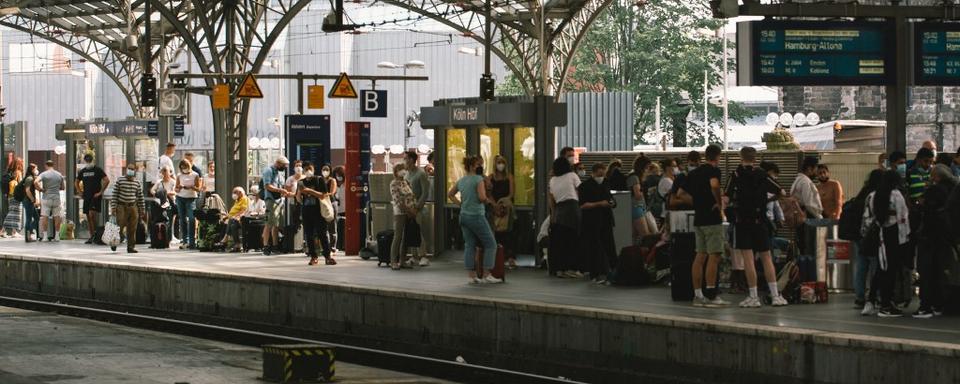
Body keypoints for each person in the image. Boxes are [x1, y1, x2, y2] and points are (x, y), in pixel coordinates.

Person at [725, 147, 788, 308]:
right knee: (766, 258)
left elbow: (726, 197)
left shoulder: (736, 175)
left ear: (741, 157)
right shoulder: (762, 174)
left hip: (742, 222)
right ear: (755, 158)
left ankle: (753, 296)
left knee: (748, 260)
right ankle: (775, 295)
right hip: (760, 221)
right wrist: (766, 200)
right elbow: (782, 191)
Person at [677, 144, 729, 307]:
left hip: (698, 218)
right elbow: (714, 186)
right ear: (718, 156)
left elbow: (680, 194)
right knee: (714, 256)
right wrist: (718, 204)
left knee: (700, 256)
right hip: (712, 219)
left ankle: (698, 295)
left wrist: (698, 203)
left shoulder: (695, 172)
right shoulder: (714, 170)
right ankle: (712, 295)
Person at [861, 170, 911, 318]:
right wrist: (905, 238)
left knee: (881, 269)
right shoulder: (896, 195)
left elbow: (867, 218)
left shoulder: (873, 195)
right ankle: (886, 305)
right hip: (893, 235)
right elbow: (903, 217)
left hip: (878, 235)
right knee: (891, 270)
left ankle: (872, 301)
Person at [448, 156, 501, 284]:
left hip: (464, 216)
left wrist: (460, 204)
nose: (481, 166)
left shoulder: (462, 180)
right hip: (476, 215)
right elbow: (482, 197)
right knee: (491, 244)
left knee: (469, 245)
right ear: (472, 166)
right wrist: (491, 203)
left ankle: (472, 276)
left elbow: (450, 194)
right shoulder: (478, 179)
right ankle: (487, 274)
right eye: (478, 164)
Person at [914, 164, 957, 318]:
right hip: (948, 237)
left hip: (930, 236)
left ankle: (926, 306)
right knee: (943, 271)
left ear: (937, 176)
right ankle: (941, 304)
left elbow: (927, 211)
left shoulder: (934, 191)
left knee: (926, 271)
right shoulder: (954, 188)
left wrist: (921, 204)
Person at [851, 169, 884, 310]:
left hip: (858, 235)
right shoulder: (875, 195)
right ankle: (875, 295)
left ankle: (859, 297)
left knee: (861, 265)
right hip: (871, 235)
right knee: (875, 265)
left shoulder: (862, 193)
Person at [579, 162, 615, 285]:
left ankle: (610, 272)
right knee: (595, 248)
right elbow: (583, 205)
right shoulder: (584, 186)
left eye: (604, 174)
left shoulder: (606, 183)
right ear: (594, 172)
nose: (602, 177)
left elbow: (611, 199)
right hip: (592, 221)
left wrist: (611, 203)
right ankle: (596, 272)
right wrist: (600, 204)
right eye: (600, 174)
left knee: (609, 246)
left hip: (606, 219)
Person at [548, 155, 583, 279]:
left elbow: (551, 200)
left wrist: (553, 214)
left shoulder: (552, 180)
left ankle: (560, 269)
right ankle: (572, 268)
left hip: (559, 211)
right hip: (572, 208)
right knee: (573, 239)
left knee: (561, 241)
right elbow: (581, 190)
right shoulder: (572, 176)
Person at [298, 162, 337, 266]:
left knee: (322, 233)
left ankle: (327, 256)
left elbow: (323, 195)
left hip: (318, 211)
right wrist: (300, 193)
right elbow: (299, 198)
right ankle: (313, 256)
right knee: (309, 235)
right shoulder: (301, 182)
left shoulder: (319, 180)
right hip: (306, 211)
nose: (308, 171)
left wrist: (310, 191)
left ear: (313, 169)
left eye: (310, 168)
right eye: (306, 169)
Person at [487, 155, 516, 268]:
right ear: (495, 164)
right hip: (495, 209)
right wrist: (495, 205)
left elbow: (511, 193)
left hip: (506, 207)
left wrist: (504, 202)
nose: (501, 165)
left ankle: (511, 257)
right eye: (499, 162)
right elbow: (488, 194)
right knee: (496, 233)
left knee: (509, 233)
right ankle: (499, 257)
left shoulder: (509, 177)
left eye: (503, 162)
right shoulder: (490, 178)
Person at [404, 151, 431, 266]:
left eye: (406, 158)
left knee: (418, 231)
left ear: (411, 160)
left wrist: (417, 207)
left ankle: (423, 255)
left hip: (417, 208)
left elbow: (425, 193)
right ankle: (414, 256)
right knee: (410, 231)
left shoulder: (421, 174)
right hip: (408, 208)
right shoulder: (406, 174)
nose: (404, 161)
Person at [111, 163, 145, 253]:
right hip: (121, 206)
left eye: (132, 169)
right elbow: (115, 194)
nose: (130, 170)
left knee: (132, 228)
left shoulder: (137, 182)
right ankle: (114, 243)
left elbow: (140, 196)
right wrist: (113, 207)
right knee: (119, 226)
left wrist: (142, 209)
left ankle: (131, 247)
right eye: (129, 168)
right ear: (126, 169)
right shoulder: (120, 180)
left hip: (133, 206)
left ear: (135, 171)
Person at [76, 154, 109, 243]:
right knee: (88, 216)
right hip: (87, 196)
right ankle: (92, 236)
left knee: (92, 215)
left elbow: (106, 180)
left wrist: (100, 192)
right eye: (87, 160)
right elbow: (77, 181)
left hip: (95, 196)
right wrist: (80, 192)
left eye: (89, 160)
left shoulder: (97, 170)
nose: (88, 162)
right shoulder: (83, 171)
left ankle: (96, 234)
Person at [261, 157, 292, 255]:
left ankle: (275, 245)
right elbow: (267, 186)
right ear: (278, 163)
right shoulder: (268, 171)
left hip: (279, 200)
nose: (284, 168)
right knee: (269, 223)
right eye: (283, 166)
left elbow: (280, 186)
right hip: (271, 200)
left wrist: (284, 191)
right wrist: (280, 190)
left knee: (276, 224)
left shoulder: (278, 173)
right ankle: (266, 246)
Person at [389, 163, 417, 270]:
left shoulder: (405, 182)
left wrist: (413, 209)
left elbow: (411, 196)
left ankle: (402, 260)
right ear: (395, 172)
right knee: (398, 236)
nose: (403, 171)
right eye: (400, 169)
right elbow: (397, 199)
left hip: (410, 211)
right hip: (400, 212)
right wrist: (408, 210)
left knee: (406, 237)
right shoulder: (394, 184)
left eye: (404, 169)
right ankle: (393, 261)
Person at [175, 159, 202, 249]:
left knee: (191, 218)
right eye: (182, 168)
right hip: (180, 198)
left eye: (185, 168)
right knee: (182, 219)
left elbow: (198, 189)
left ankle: (192, 241)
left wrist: (191, 187)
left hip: (191, 198)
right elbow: (176, 189)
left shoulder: (195, 175)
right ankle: (184, 240)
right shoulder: (179, 175)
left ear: (189, 166)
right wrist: (179, 188)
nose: (184, 170)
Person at [627, 154, 656, 239]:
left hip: (639, 207)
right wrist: (647, 191)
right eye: (647, 167)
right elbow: (638, 195)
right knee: (645, 235)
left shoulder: (636, 177)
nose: (647, 170)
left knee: (635, 235)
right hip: (636, 207)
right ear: (642, 167)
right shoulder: (634, 177)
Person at [35, 160, 65, 242]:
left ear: (46, 165)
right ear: (53, 165)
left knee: (45, 216)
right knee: (57, 216)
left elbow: (36, 182)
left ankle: (45, 236)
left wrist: (40, 189)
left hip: (46, 197)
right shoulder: (59, 174)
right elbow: (63, 187)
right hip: (56, 198)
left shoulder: (44, 174)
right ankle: (57, 236)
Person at [216, 187, 248, 252]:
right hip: (233, 219)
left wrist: (233, 216)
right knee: (226, 223)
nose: (233, 194)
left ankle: (225, 240)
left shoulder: (244, 199)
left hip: (240, 219)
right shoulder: (237, 200)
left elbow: (243, 210)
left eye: (235, 192)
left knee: (231, 221)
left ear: (240, 193)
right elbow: (232, 212)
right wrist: (226, 216)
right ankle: (232, 243)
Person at [151, 166, 177, 245]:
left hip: (170, 203)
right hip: (160, 204)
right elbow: (152, 190)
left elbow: (175, 192)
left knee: (169, 220)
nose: (165, 173)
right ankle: (162, 238)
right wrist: (157, 194)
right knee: (159, 220)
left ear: (170, 172)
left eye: (166, 171)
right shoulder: (159, 182)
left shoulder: (173, 182)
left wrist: (164, 193)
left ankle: (169, 238)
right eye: (163, 171)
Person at [320, 164, 339, 254]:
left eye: (326, 170)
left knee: (332, 225)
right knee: (324, 226)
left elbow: (332, 192)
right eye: (323, 169)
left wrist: (322, 195)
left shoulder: (332, 180)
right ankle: (325, 246)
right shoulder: (320, 179)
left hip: (331, 203)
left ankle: (333, 246)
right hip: (323, 204)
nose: (325, 171)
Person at [2, 157, 23, 238]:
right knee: (15, 214)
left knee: (11, 213)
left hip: (10, 196)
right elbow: (20, 184)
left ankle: (12, 231)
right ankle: (6, 231)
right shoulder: (18, 172)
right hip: (16, 196)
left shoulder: (9, 172)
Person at [21, 163, 39, 243]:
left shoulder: (31, 178)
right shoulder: (29, 178)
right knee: (28, 219)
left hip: (29, 201)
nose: (36, 170)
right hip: (28, 201)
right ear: (32, 170)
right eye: (36, 169)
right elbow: (27, 190)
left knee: (37, 218)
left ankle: (30, 231)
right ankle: (28, 236)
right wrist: (32, 199)